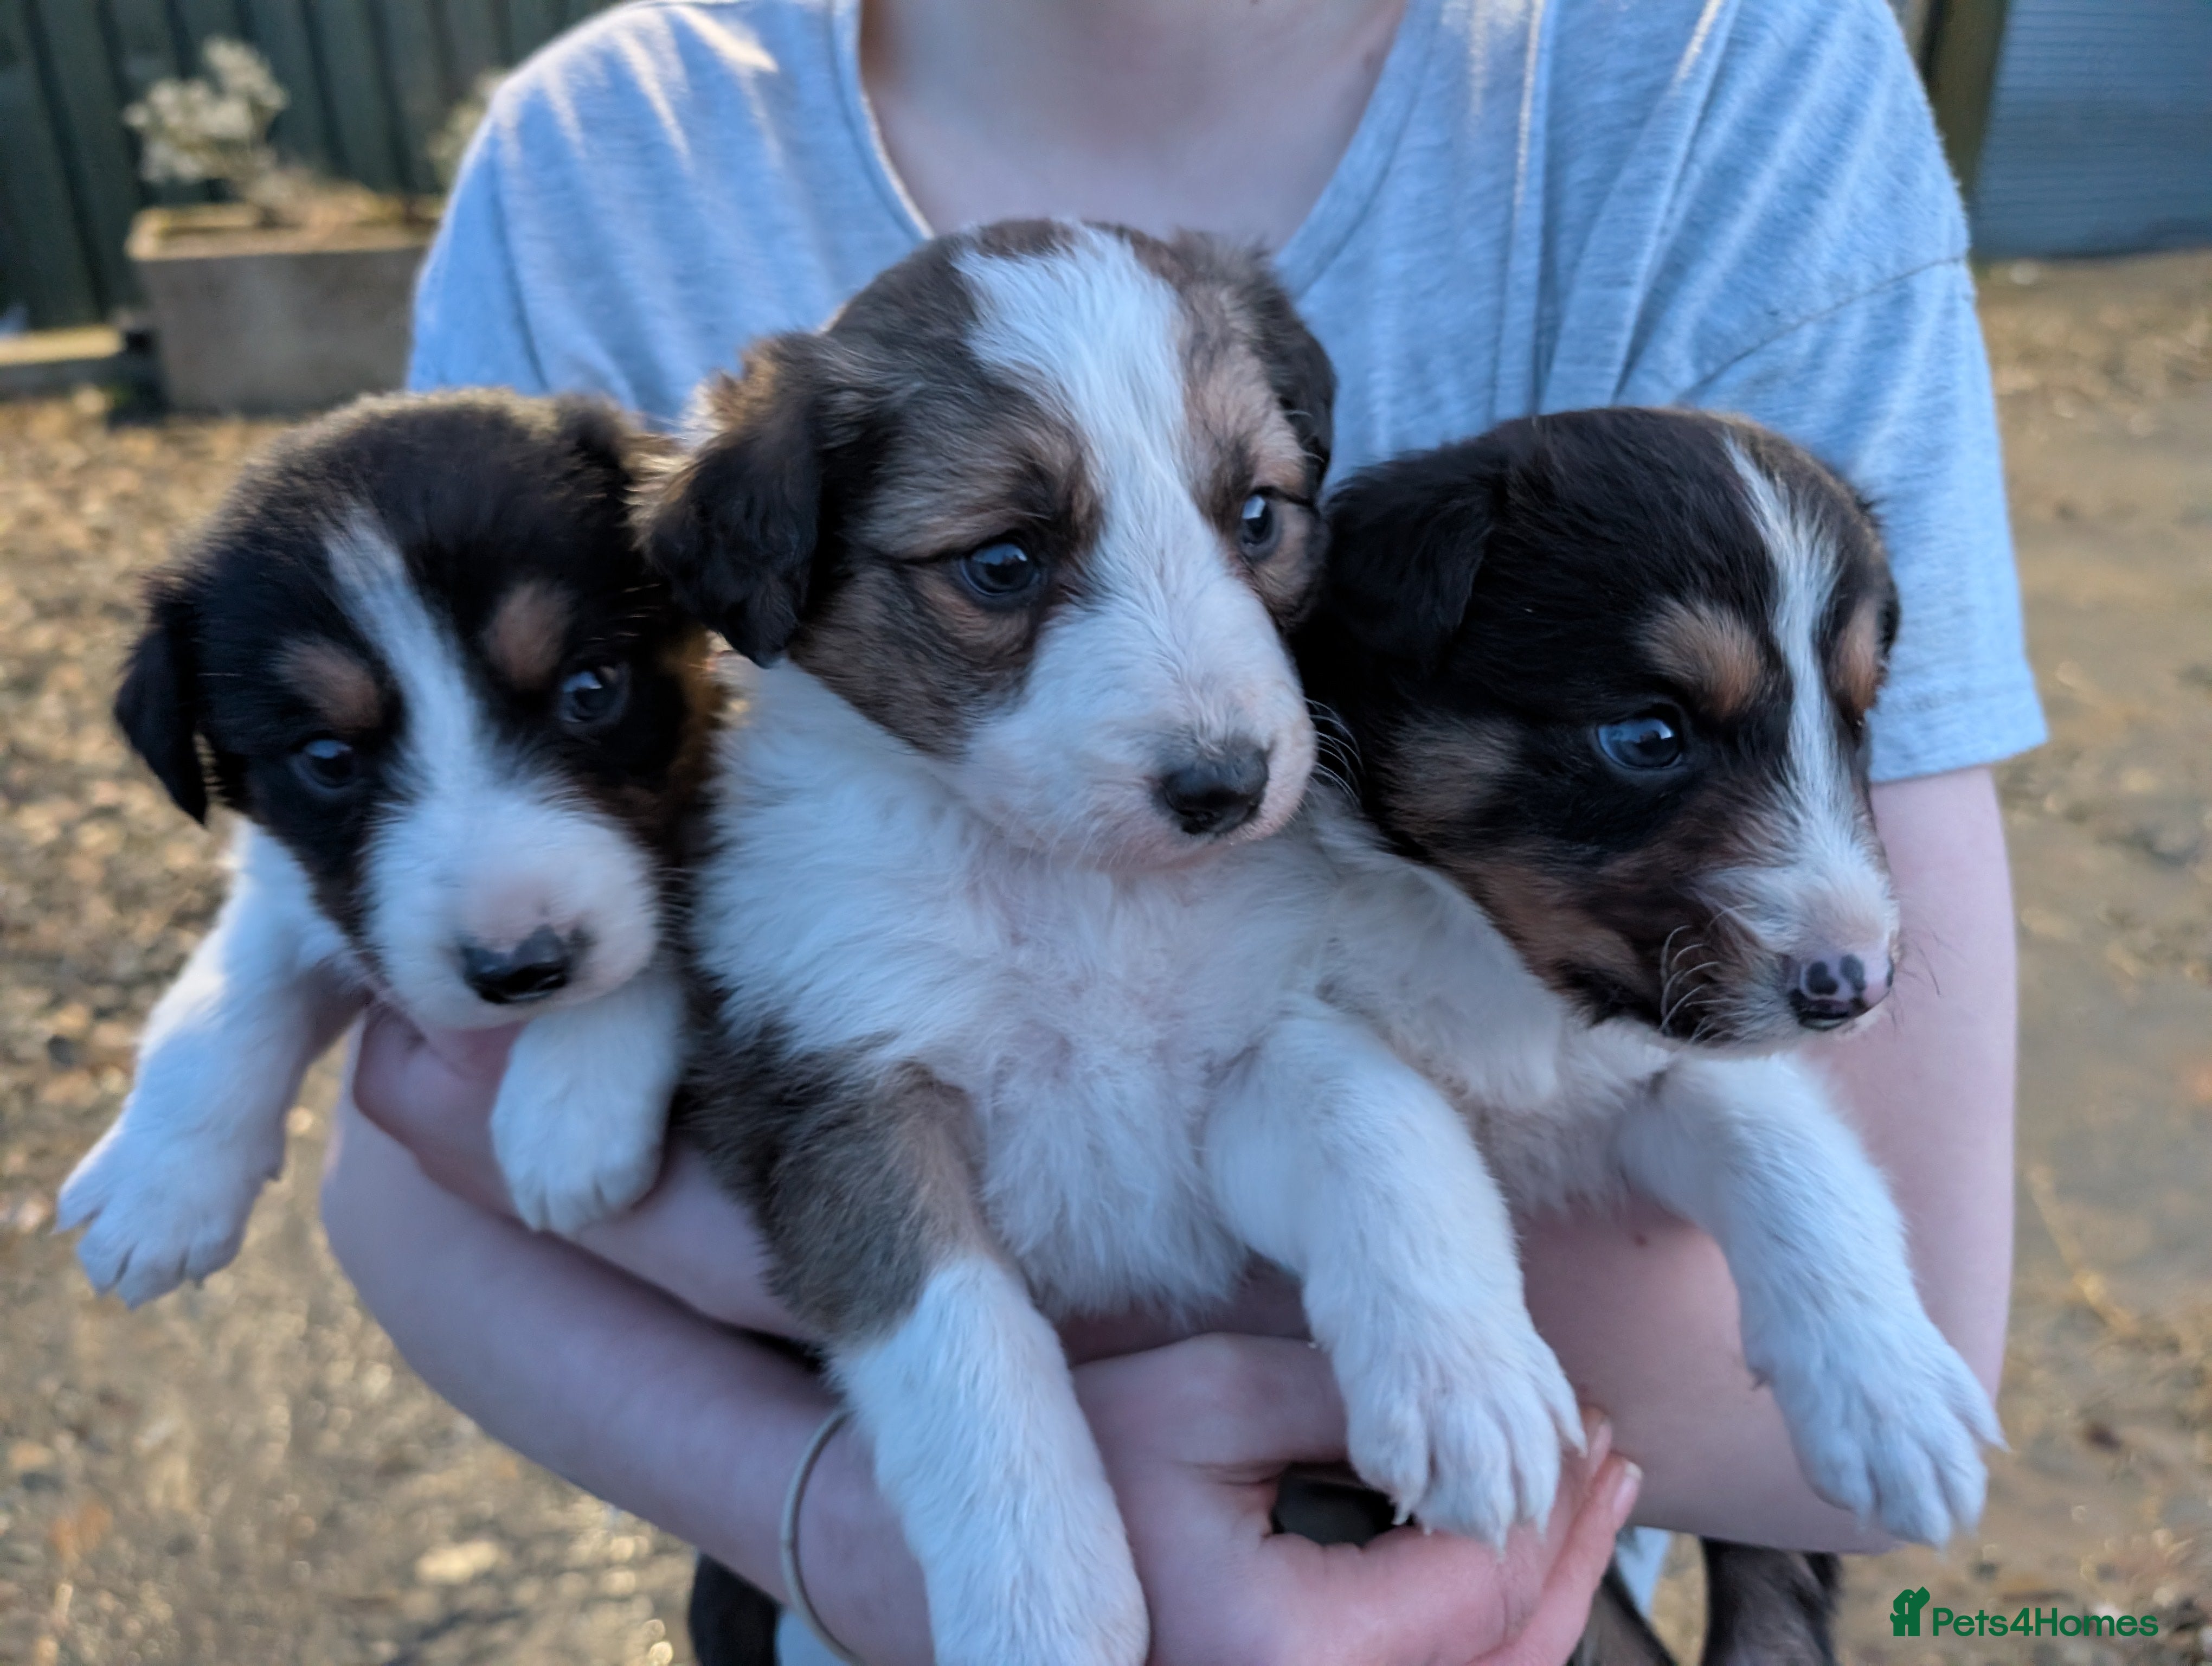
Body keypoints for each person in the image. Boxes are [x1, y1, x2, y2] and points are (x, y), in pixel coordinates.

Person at [321, 0, 2041, 1657]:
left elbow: (1309, 1072)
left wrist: (1415, 1292)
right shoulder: (594, 164)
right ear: (769, 593)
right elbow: (427, 1116)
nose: (1223, 711)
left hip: (1497, 1573)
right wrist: (846, 1518)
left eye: (1258, 523)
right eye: (1003, 572)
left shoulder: (1719, 69)